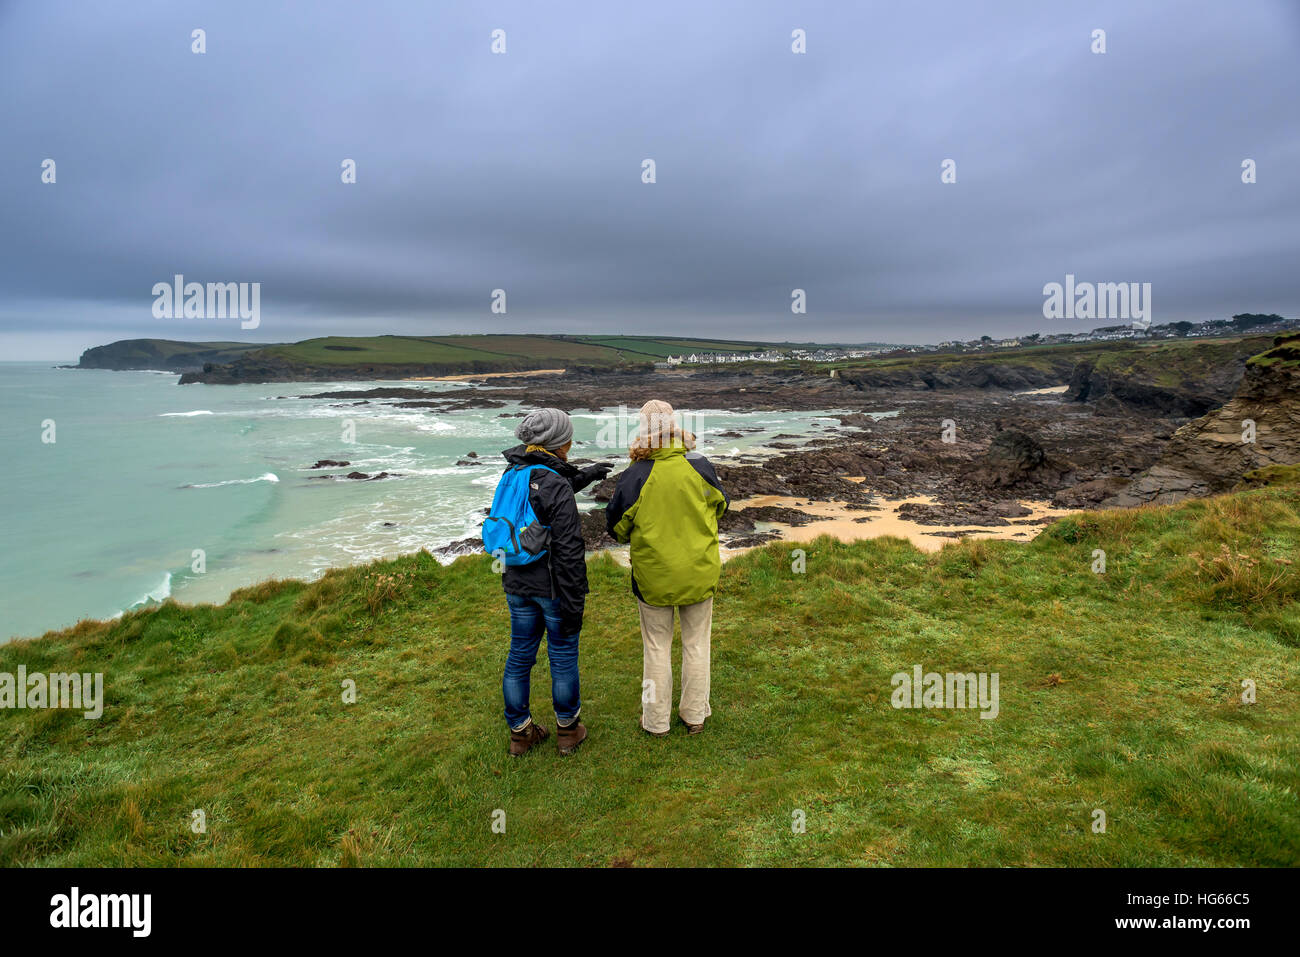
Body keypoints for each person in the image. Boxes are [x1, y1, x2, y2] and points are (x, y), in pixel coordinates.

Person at [606, 400, 728, 736]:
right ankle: (694, 716)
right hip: (699, 570)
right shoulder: (700, 465)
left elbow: (616, 528)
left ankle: (656, 721)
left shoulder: (635, 475)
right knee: (697, 643)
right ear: (673, 426)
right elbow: (722, 505)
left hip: (654, 575)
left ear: (644, 431)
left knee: (657, 647)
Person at [496, 408, 610, 756]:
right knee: (562, 656)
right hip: (552, 588)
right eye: (568, 438)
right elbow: (570, 549)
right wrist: (574, 599)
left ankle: (521, 733)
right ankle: (567, 731)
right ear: (559, 443)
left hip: (516, 582)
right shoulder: (553, 482)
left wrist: (586, 476)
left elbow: (542, 494)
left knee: (520, 656)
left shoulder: (514, 471)